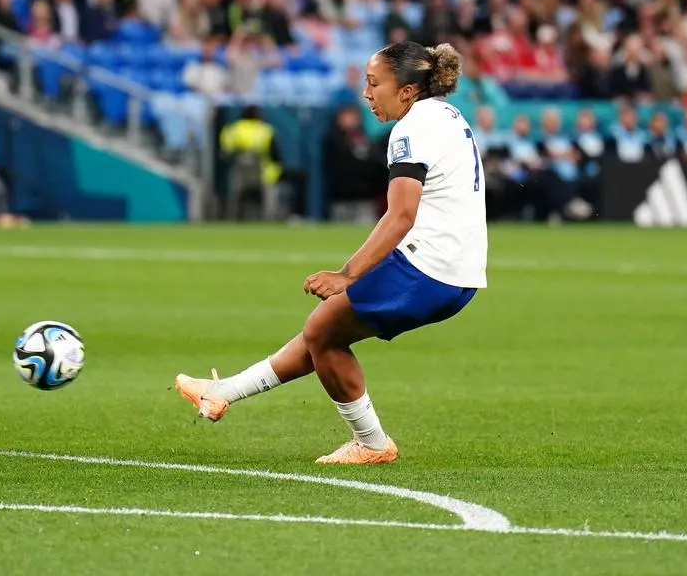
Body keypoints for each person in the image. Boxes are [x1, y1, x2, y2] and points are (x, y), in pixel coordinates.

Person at [175, 41, 487, 465]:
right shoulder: (447, 115)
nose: (366, 93)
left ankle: (373, 444)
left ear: (408, 91)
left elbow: (400, 216)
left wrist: (348, 274)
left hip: (429, 264)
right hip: (460, 270)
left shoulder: (410, 129)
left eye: (375, 83)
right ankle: (220, 393)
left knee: (322, 331)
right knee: (326, 332)